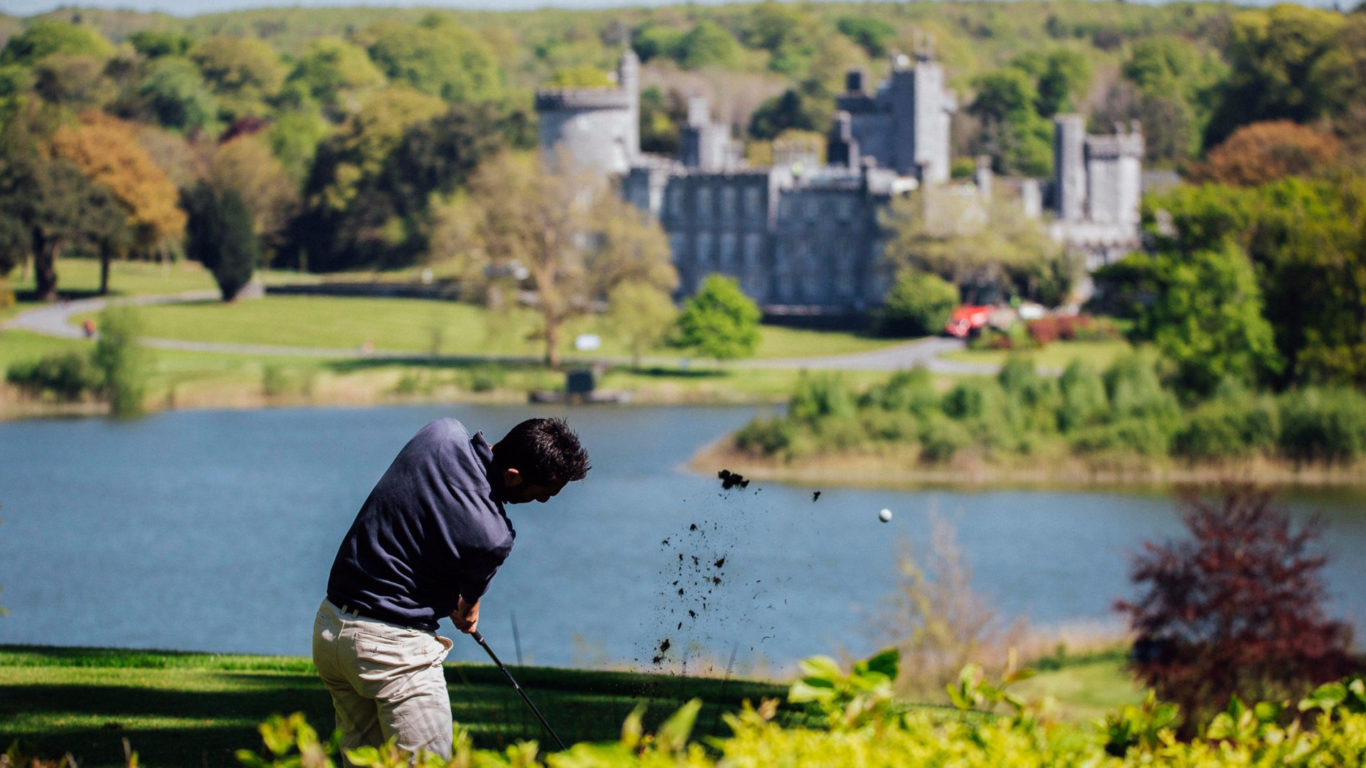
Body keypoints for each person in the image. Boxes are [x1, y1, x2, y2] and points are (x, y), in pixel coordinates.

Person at [313, 417, 589, 760]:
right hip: (392, 653)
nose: (544, 502)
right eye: (541, 495)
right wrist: (470, 607)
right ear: (513, 476)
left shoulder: (441, 432)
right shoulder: (493, 535)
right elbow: (467, 605)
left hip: (331, 629)